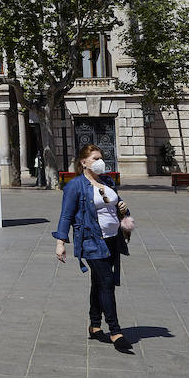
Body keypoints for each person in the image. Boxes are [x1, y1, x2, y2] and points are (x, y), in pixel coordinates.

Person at [53, 143, 133, 354]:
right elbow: (66, 215)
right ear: (83, 162)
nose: (100, 162)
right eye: (95, 159)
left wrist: (123, 208)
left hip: (112, 239)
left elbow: (117, 206)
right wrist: (60, 242)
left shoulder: (107, 181)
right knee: (107, 281)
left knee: (98, 283)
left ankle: (95, 325)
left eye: (101, 158)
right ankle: (116, 332)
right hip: (91, 240)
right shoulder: (75, 186)